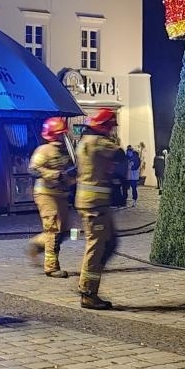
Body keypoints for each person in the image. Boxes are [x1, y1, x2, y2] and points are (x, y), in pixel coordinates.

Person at [75, 108, 123, 310]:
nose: (112, 129)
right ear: (103, 126)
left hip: (94, 203)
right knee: (97, 248)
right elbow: (120, 155)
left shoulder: (85, 140)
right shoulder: (99, 142)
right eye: (111, 126)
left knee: (110, 243)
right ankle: (88, 292)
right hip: (95, 205)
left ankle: (88, 283)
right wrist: (114, 140)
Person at [26, 117, 75, 278]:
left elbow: (67, 173)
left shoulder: (64, 153)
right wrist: (55, 174)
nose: (63, 137)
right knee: (53, 230)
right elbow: (33, 169)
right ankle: (52, 267)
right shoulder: (43, 150)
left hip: (61, 195)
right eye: (60, 134)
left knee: (65, 231)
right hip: (46, 195)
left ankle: (37, 244)